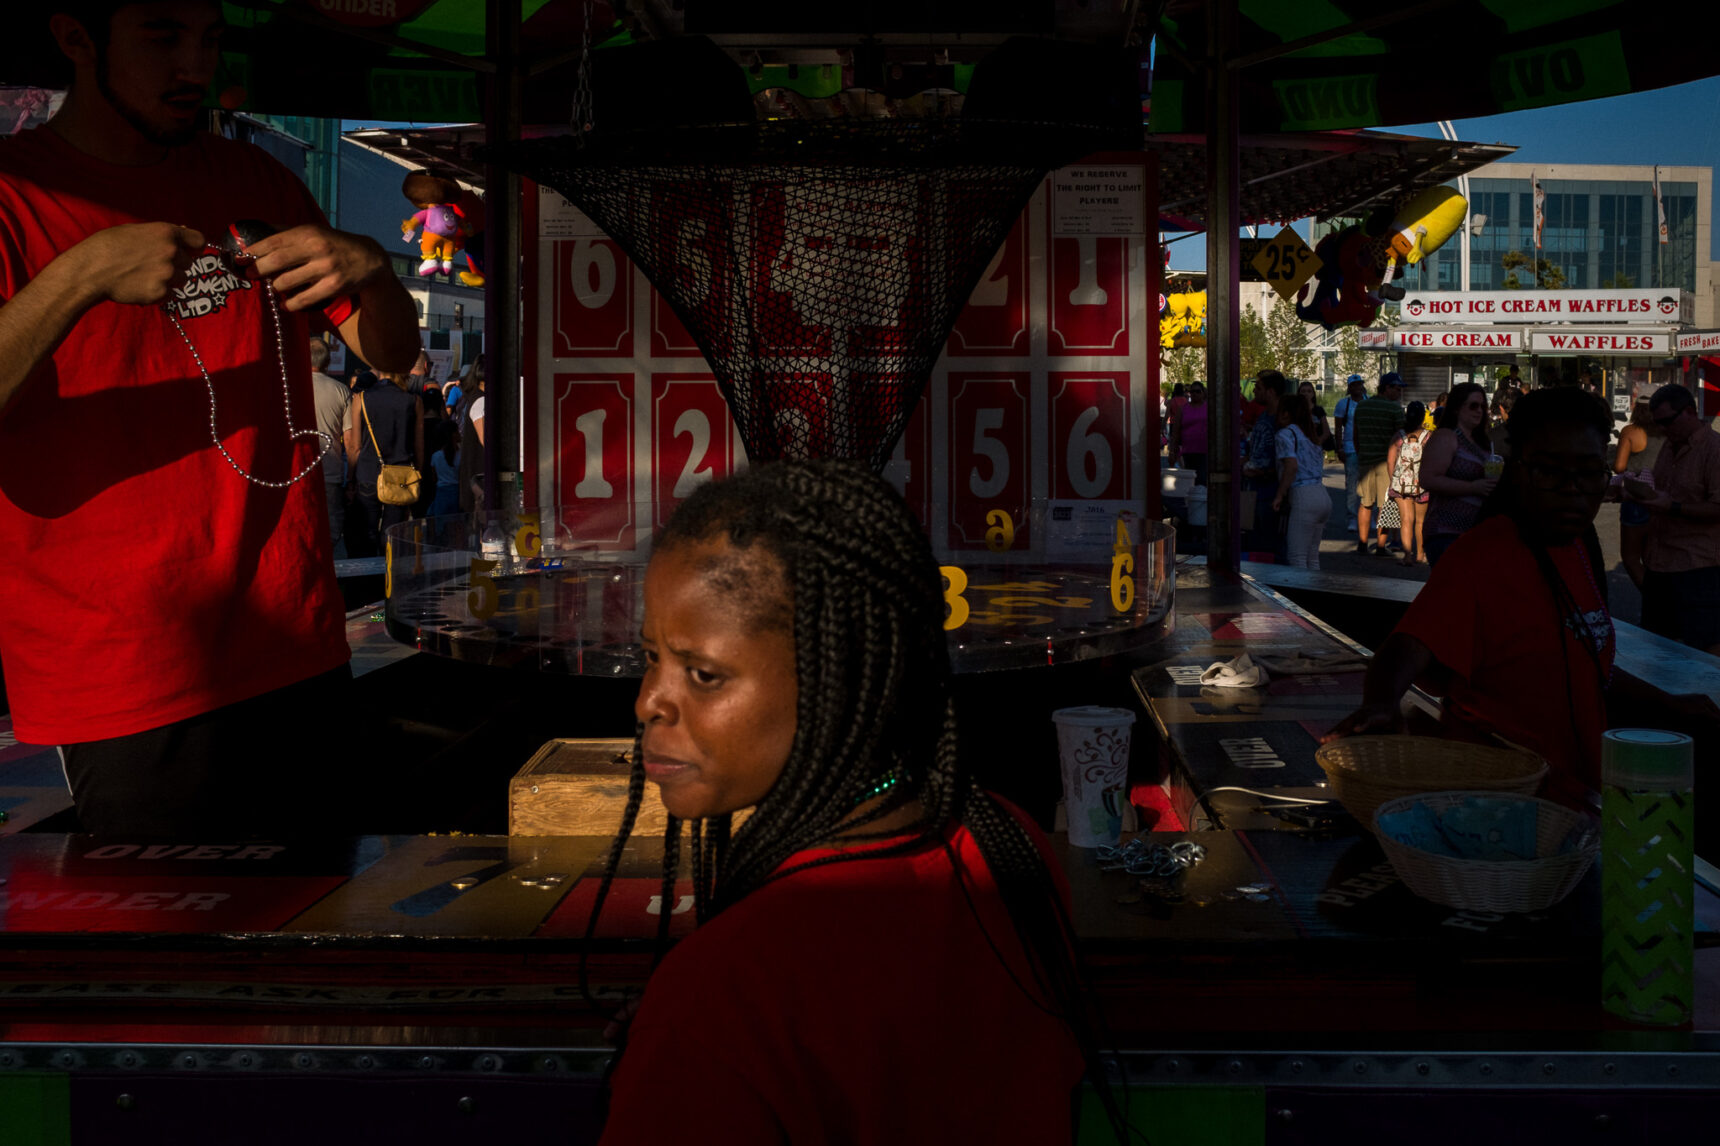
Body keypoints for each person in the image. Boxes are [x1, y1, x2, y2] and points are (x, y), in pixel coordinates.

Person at [597, 461, 1119, 1144]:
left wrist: (689, 1048)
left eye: (702, 673)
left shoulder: (721, 997)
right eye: (649, 658)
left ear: (833, 678)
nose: (648, 703)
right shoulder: (1008, 845)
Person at [0, 0, 417, 836]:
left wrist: (372, 269)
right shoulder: (15, 197)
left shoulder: (256, 181)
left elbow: (393, 355)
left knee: (317, 927)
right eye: (161, 36)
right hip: (127, 664)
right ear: (77, 37)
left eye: (212, 39)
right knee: (178, 948)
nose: (197, 66)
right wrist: (78, 276)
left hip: (292, 631)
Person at [1324, 388, 1618, 808]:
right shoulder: (1483, 555)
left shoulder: (1580, 549)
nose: (1573, 489)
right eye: (1551, 471)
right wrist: (1381, 702)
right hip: (1496, 806)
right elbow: (1407, 646)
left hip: (1576, 803)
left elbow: (1583, 659)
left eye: (1589, 472)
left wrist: (1674, 705)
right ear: (1517, 470)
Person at [1628, 384, 1720, 654]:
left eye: (1667, 421)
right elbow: (1663, 493)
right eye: (1658, 423)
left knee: (1701, 652)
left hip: (1697, 569)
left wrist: (1674, 507)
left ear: (1690, 412)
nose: (1663, 429)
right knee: (1657, 649)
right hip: (1660, 565)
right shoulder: (1669, 446)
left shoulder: (1714, 450)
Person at [345, 367, 425, 556]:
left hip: (368, 472)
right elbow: (419, 445)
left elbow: (355, 446)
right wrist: (419, 474)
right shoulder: (414, 401)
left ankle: (368, 579)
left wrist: (350, 479)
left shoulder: (361, 398)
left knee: (367, 531)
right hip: (401, 475)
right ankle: (388, 577)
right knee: (393, 534)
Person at [1419, 381, 1496, 566]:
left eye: (1483, 406)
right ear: (1456, 408)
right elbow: (1427, 479)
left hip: (1474, 532)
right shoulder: (1447, 436)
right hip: (1446, 532)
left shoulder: (1483, 442)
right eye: (1473, 405)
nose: (1479, 411)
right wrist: (1472, 487)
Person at [1613, 396, 1666, 591]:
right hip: (1662, 499)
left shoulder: (1630, 431)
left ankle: (1653, 599)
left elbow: (1619, 467)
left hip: (1635, 499)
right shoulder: (1666, 432)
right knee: (1655, 558)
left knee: (1631, 558)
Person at [1271, 393, 1329, 569]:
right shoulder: (1310, 435)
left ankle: (1299, 596)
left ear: (1286, 413)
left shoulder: (1285, 435)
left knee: (1296, 556)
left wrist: (1279, 495)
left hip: (1303, 496)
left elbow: (1291, 466)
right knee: (1312, 557)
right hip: (1322, 494)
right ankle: (1315, 593)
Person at [1353, 372, 1405, 554]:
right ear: (1387, 388)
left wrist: (1362, 453)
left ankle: (1362, 543)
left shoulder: (1362, 406)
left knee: (1365, 503)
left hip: (1366, 461)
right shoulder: (1395, 410)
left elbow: (1355, 436)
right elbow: (1400, 439)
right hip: (1386, 463)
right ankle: (1381, 546)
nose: (1399, 393)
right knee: (1385, 505)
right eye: (1397, 389)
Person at [309, 335, 351, 558]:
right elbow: (351, 439)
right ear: (328, 361)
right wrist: (351, 476)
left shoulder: (289, 387)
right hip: (331, 471)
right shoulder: (341, 391)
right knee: (331, 530)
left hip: (297, 472)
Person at [1241, 371, 1287, 560]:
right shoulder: (1262, 417)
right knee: (1254, 541)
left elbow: (1287, 461)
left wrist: (1265, 472)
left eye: (1258, 387)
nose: (1254, 390)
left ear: (1270, 391)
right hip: (1254, 491)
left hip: (1270, 493)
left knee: (1269, 544)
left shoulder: (1282, 421)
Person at [1388, 401, 1431, 566]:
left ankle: (1407, 556)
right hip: (1422, 485)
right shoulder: (1428, 437)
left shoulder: (1398, 436)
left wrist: (1394, 481)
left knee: (1406, 519)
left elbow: (1390, 460)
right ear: (1422, 417)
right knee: (1420, 522)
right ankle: (1420, 555)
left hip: (1401, 485)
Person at [1333, 374, 1366, 534]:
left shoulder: (1369, 401)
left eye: (1359, 384)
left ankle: (1369, 516)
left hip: (1367, 448)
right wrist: (1338, 448)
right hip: (1350, 447)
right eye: (1354, 385)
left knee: (1368, 484)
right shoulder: (1343, 404)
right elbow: (1338, 427)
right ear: (1349, 387)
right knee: (1352, 484)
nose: (1357, 387)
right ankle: (1352, 517)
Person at [456, 356, 487, 511]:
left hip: (475, 475)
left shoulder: (473, 397)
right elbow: (485, 440)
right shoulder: (481, 401)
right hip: (479, 477)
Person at [1169, 379, 1208, 484]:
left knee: (1202, 479)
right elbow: (1176, 430)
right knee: (1191, 479)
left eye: (1198, 391)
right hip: (1188, 450)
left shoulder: (1209, 408)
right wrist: (1172, 450)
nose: (1194, 394)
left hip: (1205, 450)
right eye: (1192, 391)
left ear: (1203, 393)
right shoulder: (1183, 409)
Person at [1298, 379, 1332, 451]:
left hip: (1315, 447)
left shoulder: (1319, 410)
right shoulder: (1294, 410)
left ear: (1313, 394)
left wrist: (1318, 442)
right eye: (1303, 391)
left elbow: (1326, 431)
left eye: (1309, 391)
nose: (1306, 394)